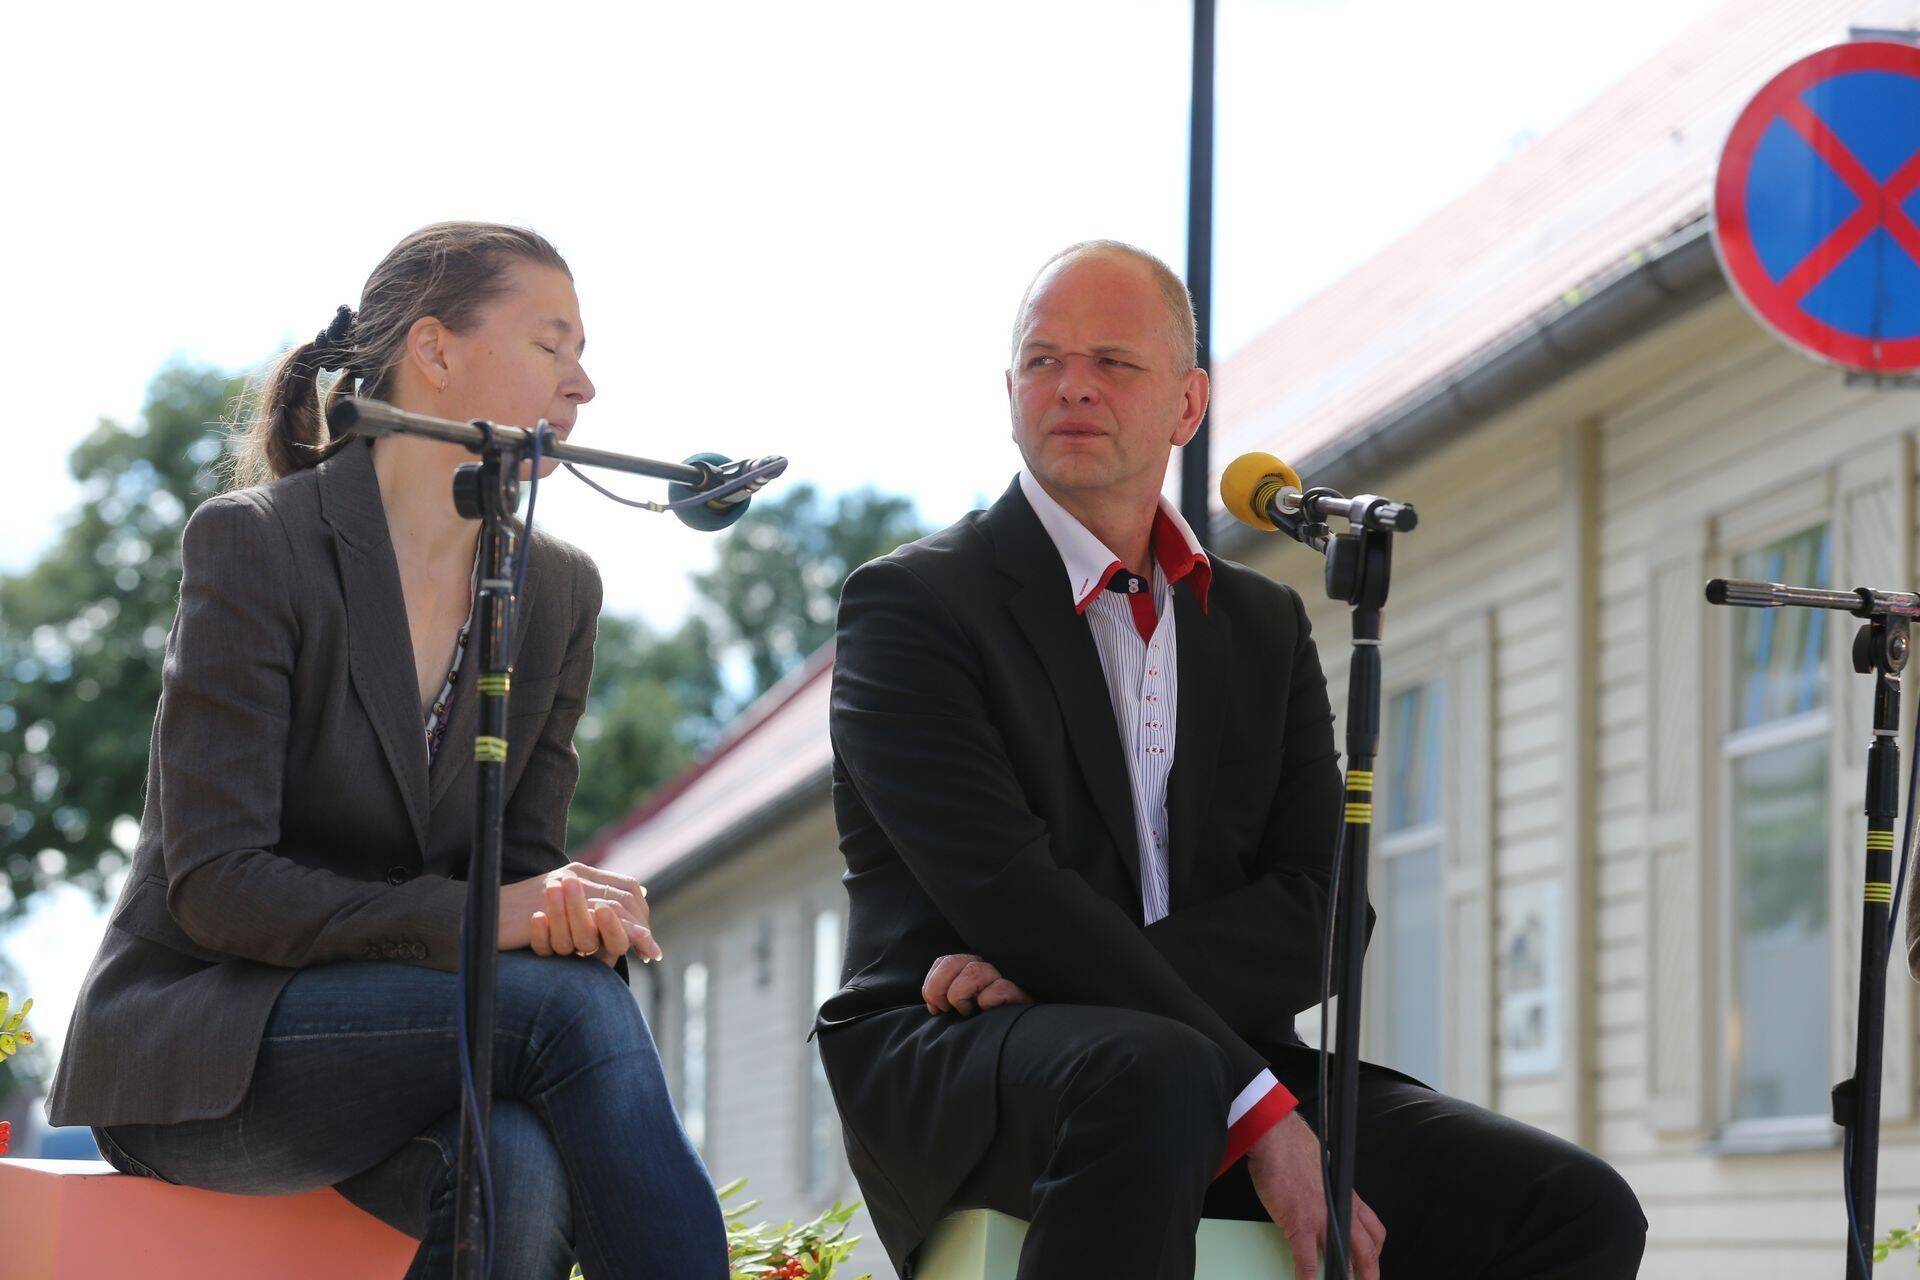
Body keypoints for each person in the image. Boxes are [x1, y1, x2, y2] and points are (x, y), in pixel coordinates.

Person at [815, 240, 1648, 1279]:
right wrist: (1256, 1109)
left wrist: (1073, 976)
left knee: (1571, 1206)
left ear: (1187, 402)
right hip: (959, 1064)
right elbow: (1005, 890)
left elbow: (1325, 915)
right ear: (1011, 392)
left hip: (1193, 1052)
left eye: (1114, 361)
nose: (1072, 383)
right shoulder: (914, 606)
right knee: (1152, 1072)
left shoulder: (1259, 621)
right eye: (1042, 360)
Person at [47, 221, 729, 1279]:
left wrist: (560, 910)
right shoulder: (256, 542)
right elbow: (217, 886)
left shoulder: (557, 592)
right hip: (200, 1050)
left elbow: (517, 871)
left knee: (519, 1156)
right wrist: (483, 920)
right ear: (436, 350)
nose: (584, 384)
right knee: (564, 1007)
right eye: (552, 343)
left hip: (413, 1042)